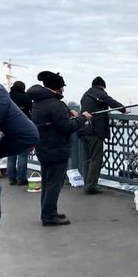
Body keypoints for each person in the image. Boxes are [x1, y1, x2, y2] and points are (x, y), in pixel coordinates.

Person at [29, 71, 92, 226]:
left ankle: (48, 212)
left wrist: (67, 112)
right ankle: (49, 217)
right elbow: (67, 127)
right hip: (56, 149)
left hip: (43, 147)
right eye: (62, 87)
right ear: (56, 87)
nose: (63, 89)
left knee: (47, 183)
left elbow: (53, 120)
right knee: (54, 184)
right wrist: (82, 118)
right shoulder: (54, 103)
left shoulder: (39, 101)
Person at [0, 83, 39, 228]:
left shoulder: (8, 95)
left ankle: (11, 177)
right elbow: (29, 134)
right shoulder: (3, 94)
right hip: (14, 133)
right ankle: (21, 178)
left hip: (9, 132)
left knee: (11, 159)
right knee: (21, 157)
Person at [79, 76, 125, 195]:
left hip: (83, 130)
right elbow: (113, 103)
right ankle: (91, 187)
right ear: (102, 86)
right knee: (95, 159)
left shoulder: (85, 94)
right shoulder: (100, 93)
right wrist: (124, 110)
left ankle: (87, 184)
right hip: (95, 131)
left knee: (86, 159)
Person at [7, 81, 33, 185]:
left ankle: (11, 178)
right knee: (22, 155)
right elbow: (32, 112)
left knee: (11, 155)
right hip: (22, 128)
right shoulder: (26, 98)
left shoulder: (7, 97)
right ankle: (21, 179)